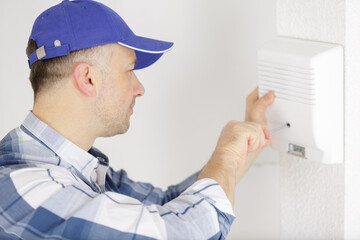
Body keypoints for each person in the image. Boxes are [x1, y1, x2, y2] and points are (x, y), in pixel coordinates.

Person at [0, 0, 275, 239]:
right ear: (88, 79)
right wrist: (225, 154)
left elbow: (176, 203)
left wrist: (249, 137)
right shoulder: (23, 188)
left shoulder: (82, 172)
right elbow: (189, 231)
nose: (139, 88)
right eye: (129, 69)